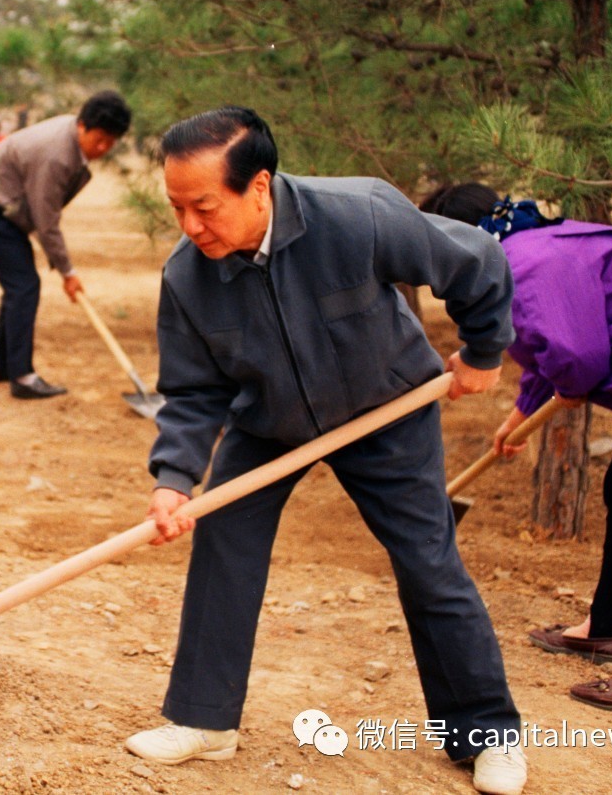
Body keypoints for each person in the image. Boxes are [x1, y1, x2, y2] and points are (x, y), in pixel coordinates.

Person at [125, 108, 526, 795]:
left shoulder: (358, 214)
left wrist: (484, 350)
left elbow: (476, 262)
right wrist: (174, 478)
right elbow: (192, 393)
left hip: (385, 411)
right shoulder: (189, 276)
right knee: (224, 539)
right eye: (176, 207)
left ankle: (486, 733)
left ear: (259, 186)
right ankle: (204, 720)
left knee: (428, 562)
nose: (190, 225)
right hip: (268, 422)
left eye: (204, 206)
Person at [428, 183, 612, 717]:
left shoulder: (524, 264)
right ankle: (603, 627)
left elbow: (577, 356)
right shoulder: (526, 251)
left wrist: (570, 385)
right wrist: (519, 419)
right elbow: (550, 343)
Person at [0, 91, 132, 399]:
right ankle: (22, 377)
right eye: (99, 139)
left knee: (19, 283)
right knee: (24, 284)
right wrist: (68, 271)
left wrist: (64, 267)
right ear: (82, 126)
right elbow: (45, 220)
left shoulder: (70, 140)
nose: (103, 148)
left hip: (0, 209)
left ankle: (1, 368)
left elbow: (42, 218)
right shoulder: (56, 155)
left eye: (111, 142)